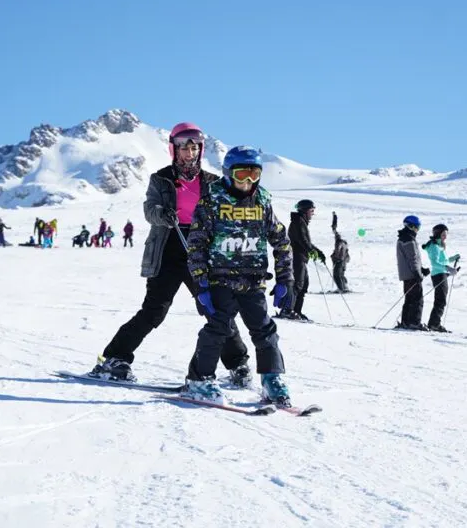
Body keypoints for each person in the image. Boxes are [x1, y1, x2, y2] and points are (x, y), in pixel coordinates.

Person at [89, 122, 251, 385]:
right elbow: (149, 208)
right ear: (173, 150)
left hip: (200, 250)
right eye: (184, 148)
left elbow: (226, 212)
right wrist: (162, 214)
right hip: (168, 248)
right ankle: (114, 358)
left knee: (216, 308)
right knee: (155, 310)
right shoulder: (161, 178)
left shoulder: (212, 182)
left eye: (194, 148)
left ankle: (238, 365)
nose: (190, 153)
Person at [183, 145, 294, 406]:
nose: (248, 181)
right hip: (220, 279)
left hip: (253, 280)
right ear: (228, 173)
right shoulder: (212, 201)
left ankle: (271, 377)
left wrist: (285, 278)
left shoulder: (263, 202)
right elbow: (196, 244)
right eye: (242, 174)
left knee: (265, 330)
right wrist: (201, 283)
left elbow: (281, 241)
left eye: (254, 174)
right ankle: (199, 380)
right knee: (218, 329)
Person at [281, 199, 325, 321]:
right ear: (305, 211)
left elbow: (306, 241)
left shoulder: (301, 222)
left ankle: (297, 311)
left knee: (303, 285)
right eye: (311, 211)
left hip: (301, 257)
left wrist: (317, 251)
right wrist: (312, 250)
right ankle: (287, 310)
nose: (312, 214)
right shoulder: (298, 222)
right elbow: (303, 241)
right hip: (296, 257)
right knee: (297, 284)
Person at [423, 224, 461, 332]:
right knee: (440, 300)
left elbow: (443, 261)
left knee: (441, 300)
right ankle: (434, 324)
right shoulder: (434, 246)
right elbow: (435, 263)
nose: (445, 236)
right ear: (438, 233)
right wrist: (448, 268)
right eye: (443, 234)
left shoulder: (439, 245)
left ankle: (434, 323)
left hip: (441, 273)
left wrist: (453, 258)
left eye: (446, 234)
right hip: (438, 274)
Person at [396, 215, 429, 329]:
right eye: (417, 227)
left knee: (409, 298)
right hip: (411, 274)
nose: (417, 230)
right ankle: (414, 322)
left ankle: (406, 322)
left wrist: (422, 269)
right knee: (417, 299)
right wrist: (417, 272)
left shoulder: (404, 237)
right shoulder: (409, 239)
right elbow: (412, 258)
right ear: (410, 226)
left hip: (407, 274)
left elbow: (411, 258)